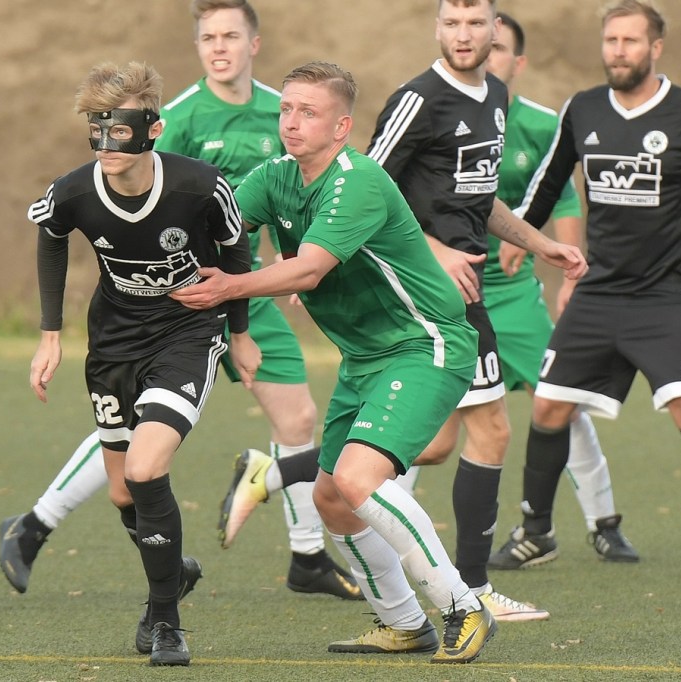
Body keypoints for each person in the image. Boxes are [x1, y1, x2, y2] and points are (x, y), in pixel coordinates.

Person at [173, 61, 585, 662]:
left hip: (426, 345)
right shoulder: (274, 177)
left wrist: (229, 289)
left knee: (360, 479)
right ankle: (404, 623)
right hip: (365, 358)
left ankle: (463, 605)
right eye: (285, 109)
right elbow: (213, 224)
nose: (291, 122)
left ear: (341, 127)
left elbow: (309, 270)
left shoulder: (357, 181)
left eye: (308, 112)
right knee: (331, 498)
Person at [0, 0, 362, 604]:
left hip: (244, 291)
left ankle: (306, 556)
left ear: (254, 44)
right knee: (140, 434)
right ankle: (38, 523)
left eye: (230, 36)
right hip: (169, 304)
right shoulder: (180, 118)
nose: (219, 47)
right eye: (207, 37)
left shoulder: (285, 110)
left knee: (298, 419)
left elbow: (292, 189)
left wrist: (294, 263)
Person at [488, 0, 681, 581]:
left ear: (655, 48)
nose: (618, 51)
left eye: (630, 41)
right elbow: (547, 182)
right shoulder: (582, 109)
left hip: (668, 297)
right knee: (549, 404)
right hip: (598, 293)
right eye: (611, 40)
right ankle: (536, 532)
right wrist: (524, 236)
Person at [24, 61, 260, 666]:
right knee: (122, 492)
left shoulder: (200, 186)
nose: (106, 144)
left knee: (147, 468)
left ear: (153, 130)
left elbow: (236, 250)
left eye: (120, 131)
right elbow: (51, 237)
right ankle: (174, 571)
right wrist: (50, 336)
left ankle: (166, 621)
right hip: (113, 342)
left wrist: (239, 332)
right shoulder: (74, 191)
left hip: (187, 332)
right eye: (96, 131)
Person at [362, 0, 554, 622]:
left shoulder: (494, 94)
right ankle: (474, 588)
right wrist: (436, 251)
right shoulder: (417, 100)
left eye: (475, 23)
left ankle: (282, 472)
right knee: (491, 430)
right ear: (437, 28)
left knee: (435, 442)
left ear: (495, 28)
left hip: (468, 288)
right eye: (451, 23)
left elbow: (479, 195)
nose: (463, 34)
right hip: (429, 292)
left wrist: (538, 242)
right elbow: (363, 193)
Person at [448, 11, 636, 569]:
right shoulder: (441, 112)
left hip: (512, 294)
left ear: (518, 62)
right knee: (431, 420)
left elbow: (567, 199)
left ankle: (604, 523)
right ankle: (384, 528)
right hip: (449, 291)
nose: (489, 56)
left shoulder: (539, 123)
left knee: (562, 401)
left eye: (500, 48)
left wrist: (571, 278)